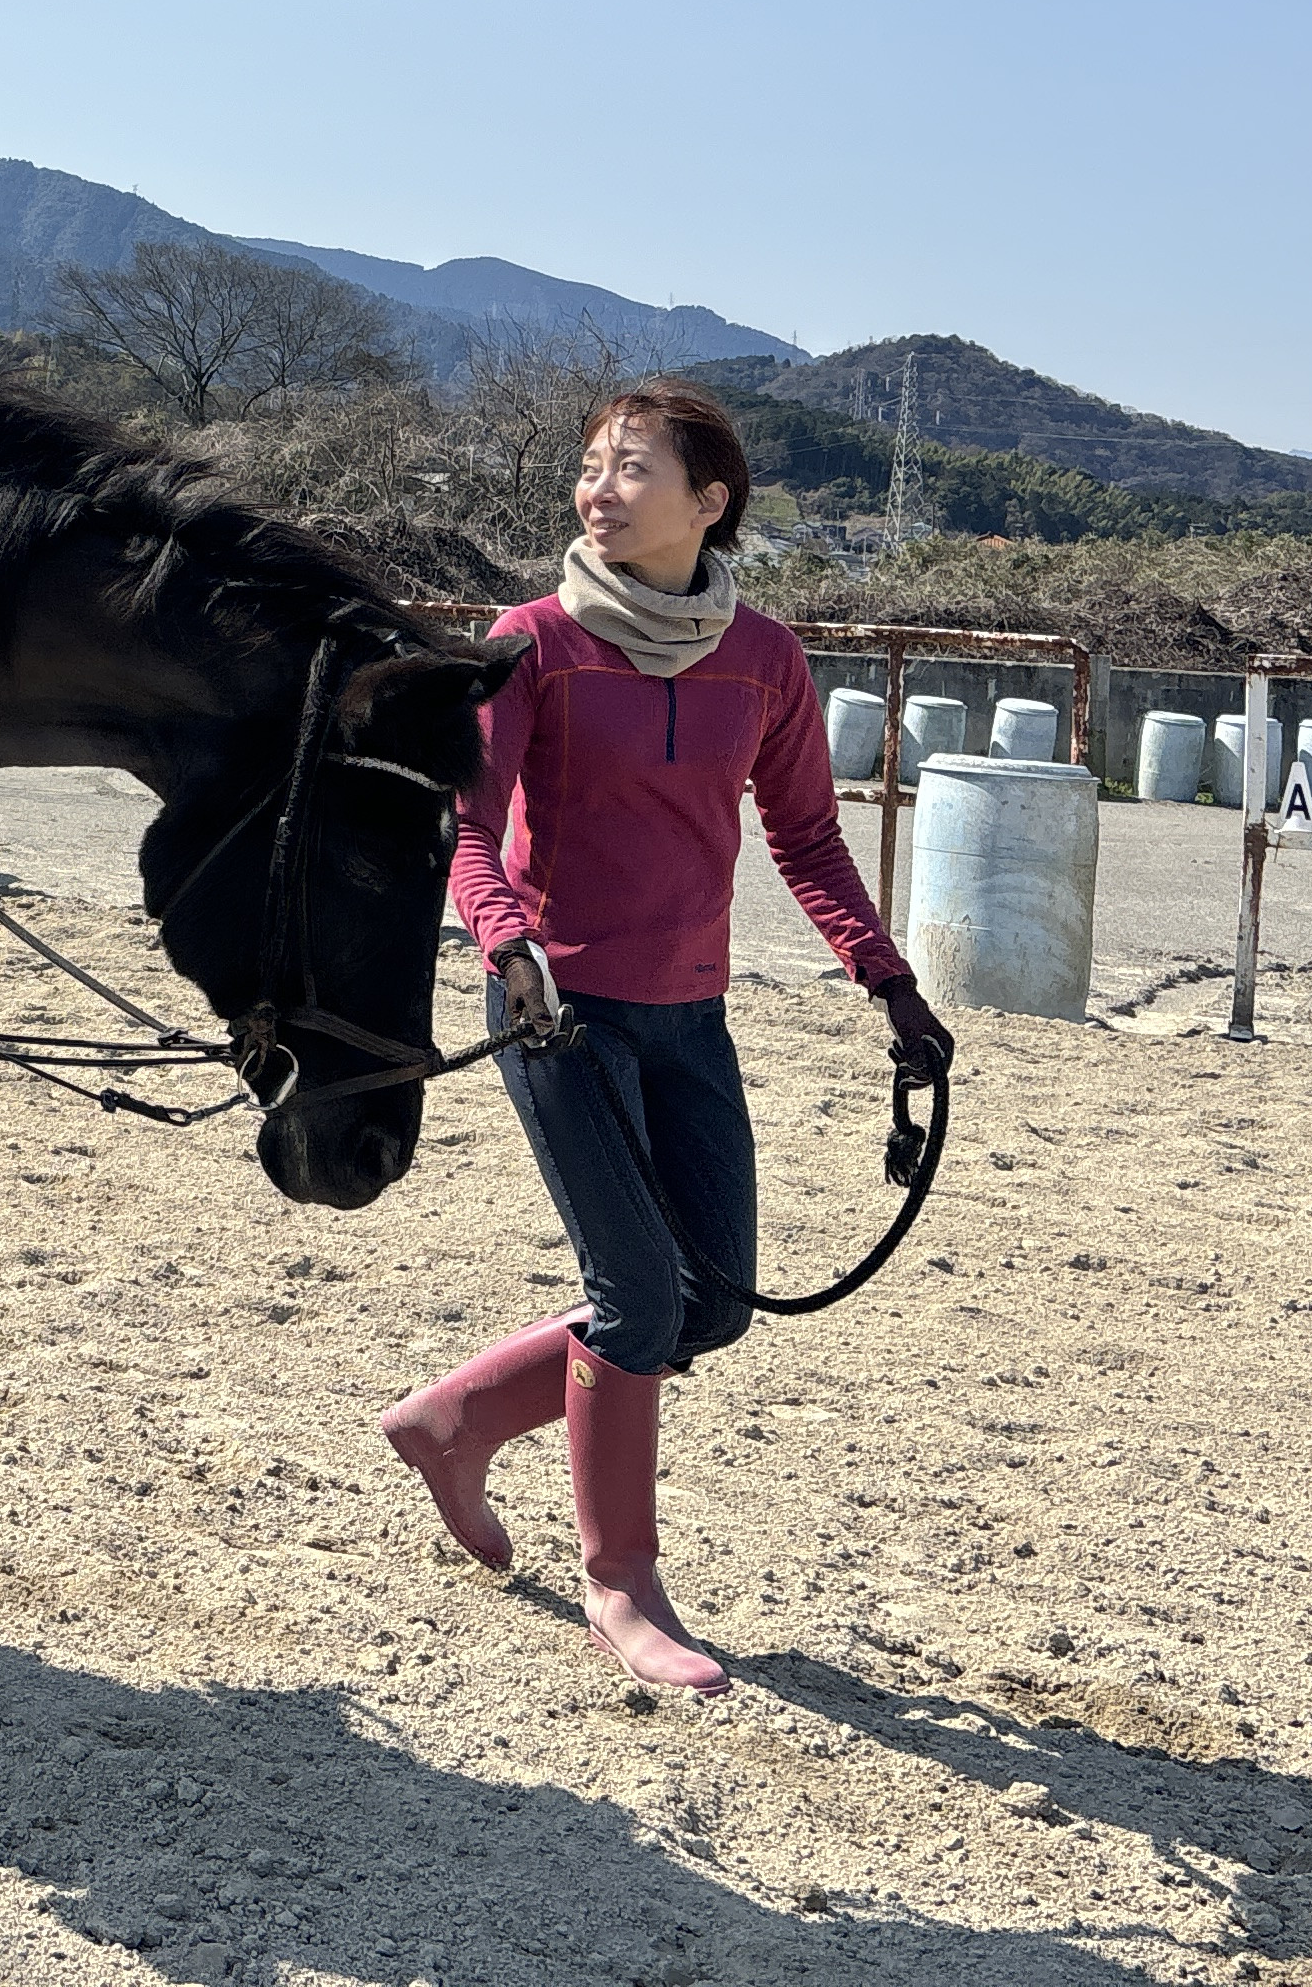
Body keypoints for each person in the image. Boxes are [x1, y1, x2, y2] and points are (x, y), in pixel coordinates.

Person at [376, 379, 954, 1696]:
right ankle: (621, 1584)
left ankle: (453, 1422)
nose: (599, 488)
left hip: (693, 1013)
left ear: (710, 503)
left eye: (632, 468)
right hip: (557, 1011)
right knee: (638, 1297)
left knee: (715, 1304)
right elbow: (469, 826)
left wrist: (888, 979)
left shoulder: (766, 661)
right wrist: (506, 943)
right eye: (592, 465)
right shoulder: (530, 642)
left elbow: (807, 838)